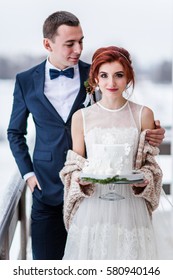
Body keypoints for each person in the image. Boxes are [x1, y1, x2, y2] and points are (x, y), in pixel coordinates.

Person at [7, 11, 164, 260]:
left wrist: (153, 130)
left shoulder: (98, 73)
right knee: (45, 266)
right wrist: (28, 175)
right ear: (48, 44)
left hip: (97, 193)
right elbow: (15, 132)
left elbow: (119, 112)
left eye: (81, 41)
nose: (79, 49)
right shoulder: (26, 80)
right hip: (46, 188)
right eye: (70, 43)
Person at [60, 46, 163, 260]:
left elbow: (151, 165)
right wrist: (78, 178)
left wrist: (145, 179)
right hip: (93, 207)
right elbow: (73, 166)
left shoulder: (143, 114)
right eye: (104, 75)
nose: (111, 83)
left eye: (119, 75)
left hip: (131, 209)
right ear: (95, 79)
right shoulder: (81, 117)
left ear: (128, 77)